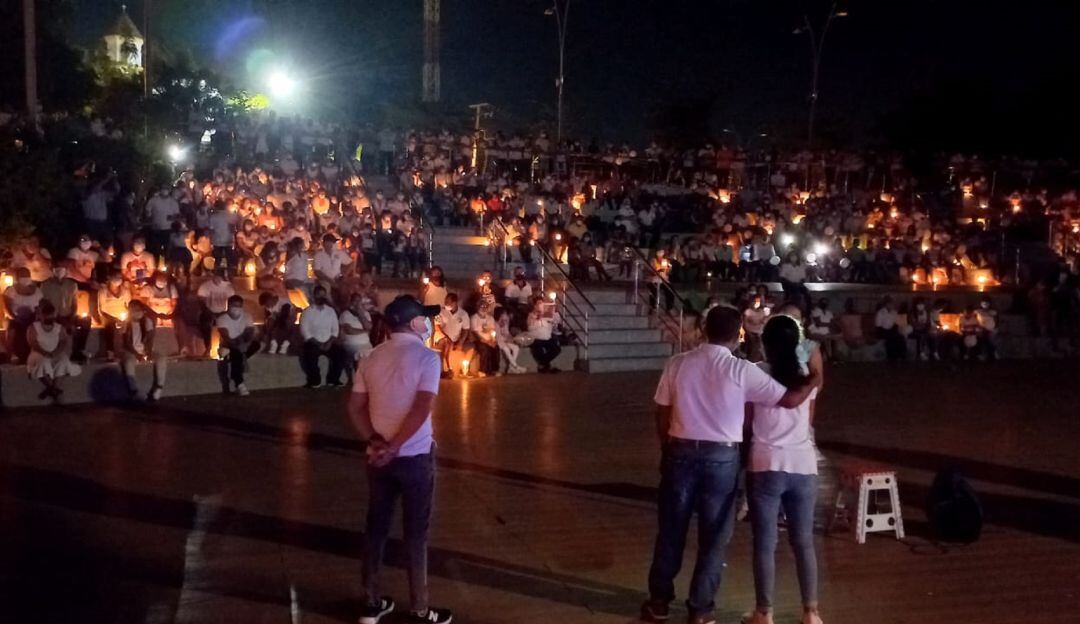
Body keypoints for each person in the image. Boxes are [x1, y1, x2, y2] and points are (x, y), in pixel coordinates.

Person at [641, 305, 820, 624]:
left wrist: (666, 447)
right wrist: (814, 378)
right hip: (722, 457)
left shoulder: (678, 363)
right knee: (714, 534)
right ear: (737, 334)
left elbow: (661, 411)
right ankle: (701, 608)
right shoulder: (742, 370)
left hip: (680, 451)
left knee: (671, 530)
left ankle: (659, 602)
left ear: (704, 329)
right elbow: (790, 400)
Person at [347, 295, 452, 624]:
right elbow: (422, 409)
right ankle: (420, 607)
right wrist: (395, 445)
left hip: (378, 459)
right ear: (413, 323)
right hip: (415, 457)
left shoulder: (371, 357)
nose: (427, 323)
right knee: (416, 534)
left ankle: (371, 601)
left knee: (376, 528)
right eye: (424, 318)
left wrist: (376, 441)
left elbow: (354, 407)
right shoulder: (427, 359)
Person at [742, 315, 824, 624]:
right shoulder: (806, 376)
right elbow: (809, 421)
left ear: (765, 343)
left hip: (765, 462)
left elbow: (748, 422)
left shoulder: (755, 374)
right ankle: (811, 612)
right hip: (802, 463)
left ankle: (764, 612)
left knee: (765, 541)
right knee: (803, 541)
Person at [26, 301, 81, 402]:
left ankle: (51, 389)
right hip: (38, 353)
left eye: (50, 315)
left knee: (63, 361)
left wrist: (56, 352)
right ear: (41, 315)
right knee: (42, 362)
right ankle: (54, 391)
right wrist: (44, 352)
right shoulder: (33, 327)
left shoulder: (59, 328)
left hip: (55, 353)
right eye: (46, 315)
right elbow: (33, 343)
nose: (48, 318)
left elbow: (63, 342)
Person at [299, 285, 347, 388]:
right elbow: (305, 331)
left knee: (341, 354)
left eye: (323, 296)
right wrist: (318, 343)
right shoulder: (307, 312)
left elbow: (335, 329)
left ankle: (333, 379)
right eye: (319, 295)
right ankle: (315, 381)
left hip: (328, 341)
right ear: (314, 296)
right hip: (313, 342)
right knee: (309, 355)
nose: (322, 298)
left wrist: (329, 342)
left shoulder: (330, 311)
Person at [120, 300, 168, 401]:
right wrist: (136, 354)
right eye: (134, 310)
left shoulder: (147, 321)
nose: (137, 312)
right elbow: (126, 342)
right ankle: (134, 391)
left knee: (162, 358)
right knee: (129, 363)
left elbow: (150, 338)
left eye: (138, 309)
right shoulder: (126, 323)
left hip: (144, 350)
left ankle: (159, 387)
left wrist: (149, 351)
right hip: (131, 351)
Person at [216, 295, 259, 396]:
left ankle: (238, 382)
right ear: (229, 306)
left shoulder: (247, 316)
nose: (237, 308)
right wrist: (238, 346)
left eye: (239, 306)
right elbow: (226, 336)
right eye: (234, 306)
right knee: (236, 354)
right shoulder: (222, 319)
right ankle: (239, 383)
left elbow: (249, 333)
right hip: (228, 345)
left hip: (242, 343)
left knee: (255, 345)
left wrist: (244, 345)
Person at [3, 268, 44, 365]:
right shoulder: (10, 290)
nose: (25, 277)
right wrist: (16, 317)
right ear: (17, 277)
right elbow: (6, 308)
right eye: (22, 275)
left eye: (26, 275)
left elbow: (40, 307)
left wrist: (37, 316)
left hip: (33, 319)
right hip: (15, 320)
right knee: (12, 332)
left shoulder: (37, 291)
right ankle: (11, 356)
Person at [197, 269, 236, 357]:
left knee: (226, 324)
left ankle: (223, 349)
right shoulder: (205, 286)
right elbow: (201, 302)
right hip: (208, 312)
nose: (218, 279)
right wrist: (209, 313)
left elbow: (232, 303)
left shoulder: (228, 287)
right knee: (205, 323)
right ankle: (208, 347)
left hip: (223, 312)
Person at [433, 293, 472, 379]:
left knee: (471, 347)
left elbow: (466, 329)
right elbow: (437, 326)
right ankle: (446, 369)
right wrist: (447, 337)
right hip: (442, 336)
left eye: (448, 302)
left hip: (455, 338)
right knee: (446, 343)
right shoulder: (441, 311)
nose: (446, 304)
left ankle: (464, 369)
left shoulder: (463, 314)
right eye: (445, 302)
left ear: (455, 303)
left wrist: (461, 342)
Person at [97, 270, 131, 360]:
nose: (118, 279)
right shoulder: (103, 291)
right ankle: (110, 353)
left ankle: (127, 350)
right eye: (116, 276)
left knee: (130, 326)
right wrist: (114, 319)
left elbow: (129, 306)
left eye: (120, 277)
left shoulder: (126, 291)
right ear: (110, 278)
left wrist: (125, 317)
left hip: (122, 316)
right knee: (110, 327)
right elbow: (101, 309)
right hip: (107, 317)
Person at [526, 296, 562, 373]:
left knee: (557, 349)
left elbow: (557, 322)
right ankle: (547, 366)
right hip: (536, 338)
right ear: (535, 305)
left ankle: (543, 365)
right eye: (538, 303)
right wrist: (537, 319)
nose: (540, 305)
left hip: (547, 338)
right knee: (537, 348)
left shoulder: (548, 314)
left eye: (542, 303)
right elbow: (530, 328)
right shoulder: (531, 315)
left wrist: (555, 311)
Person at [340, 292, 374, 364]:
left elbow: (369, 327)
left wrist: (360, 314)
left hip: (366, 344)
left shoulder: (365, 314)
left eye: (359, 301)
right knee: (361, 358)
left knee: (374, 358)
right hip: (352, 345)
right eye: (355, 301)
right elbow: (349, 330)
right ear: (351, 302)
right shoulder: (345, 314)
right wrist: (365, 330)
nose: (357, 303)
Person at [470, 301, 499, 377]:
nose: (484, 309)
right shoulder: (474, 318)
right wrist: (486, 341)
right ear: (478, 307)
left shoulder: (490, 318)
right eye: (482, 307)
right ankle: (482, 370)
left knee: (496, 348)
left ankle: (494, 370)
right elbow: (475, 333)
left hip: (489, 340)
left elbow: (492, 331)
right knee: (484, 349)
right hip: (478, 340)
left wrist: (493, 340)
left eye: (486, 307)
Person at [494, 307, 526, 374]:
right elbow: (498, 337)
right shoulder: (495, 323)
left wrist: (513, 339)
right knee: (506, 349)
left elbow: (507, 333)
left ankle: (511, 368)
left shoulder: (506, 322)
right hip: (498, 342)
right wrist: (506, 340)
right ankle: (516, 366)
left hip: (505, 340)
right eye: (503, 314)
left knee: (516, 348)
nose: (505, 315)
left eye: (505, 313)